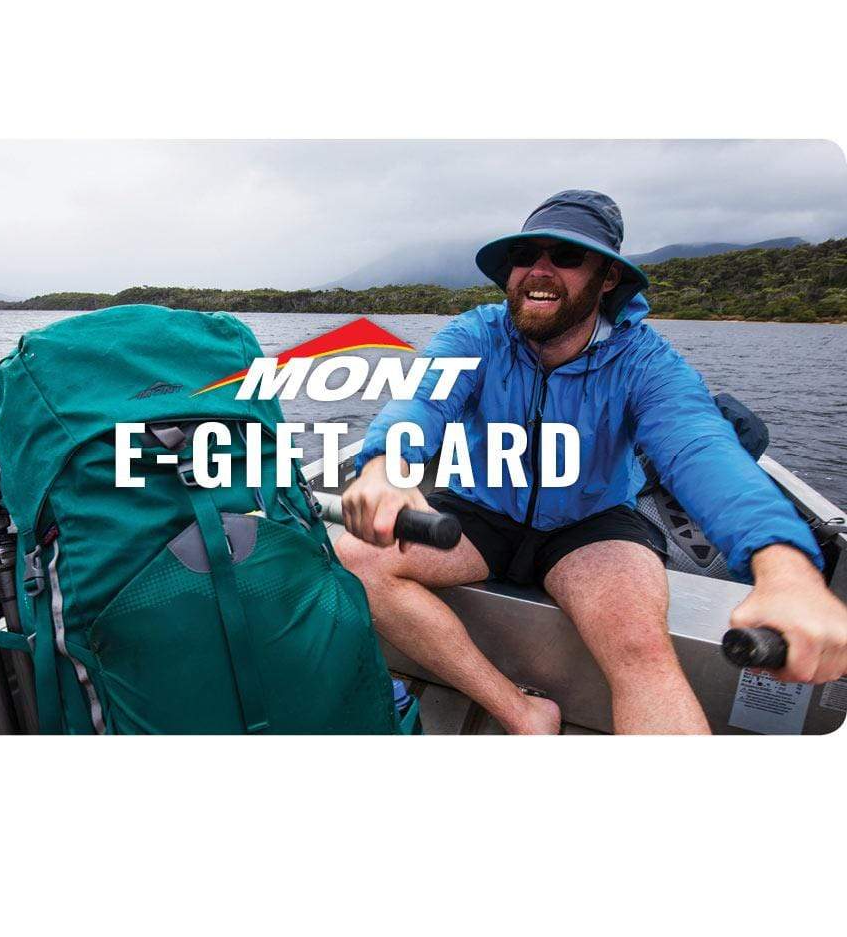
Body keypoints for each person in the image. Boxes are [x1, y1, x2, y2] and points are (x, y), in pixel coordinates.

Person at [335, 189, 847, 734]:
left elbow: (700, 448)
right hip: (482, 508)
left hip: (590, 523)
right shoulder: (476, 334)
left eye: (567, 256)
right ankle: (520, 711)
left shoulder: (645, 360)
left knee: (640, 649)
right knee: (357, 559)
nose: (540, 270)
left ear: (607, 278)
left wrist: (784, 565)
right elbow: (422, 400)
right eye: (525, 255)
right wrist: (383, 465)